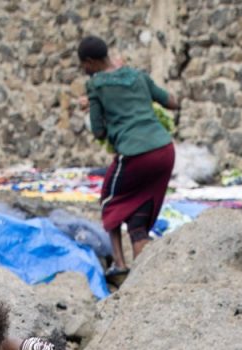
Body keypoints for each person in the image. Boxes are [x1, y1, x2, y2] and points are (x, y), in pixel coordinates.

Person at [78, 34, 181, 282]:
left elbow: (99, 130)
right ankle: (145, 278)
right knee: (138, 219)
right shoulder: (138, 76)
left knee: (109, 200)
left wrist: (92, 105)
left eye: (83, 66)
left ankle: (120, 265)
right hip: (165, 150)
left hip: (135, 153)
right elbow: (172, 102)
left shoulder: (96, 86)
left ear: (90, 62)